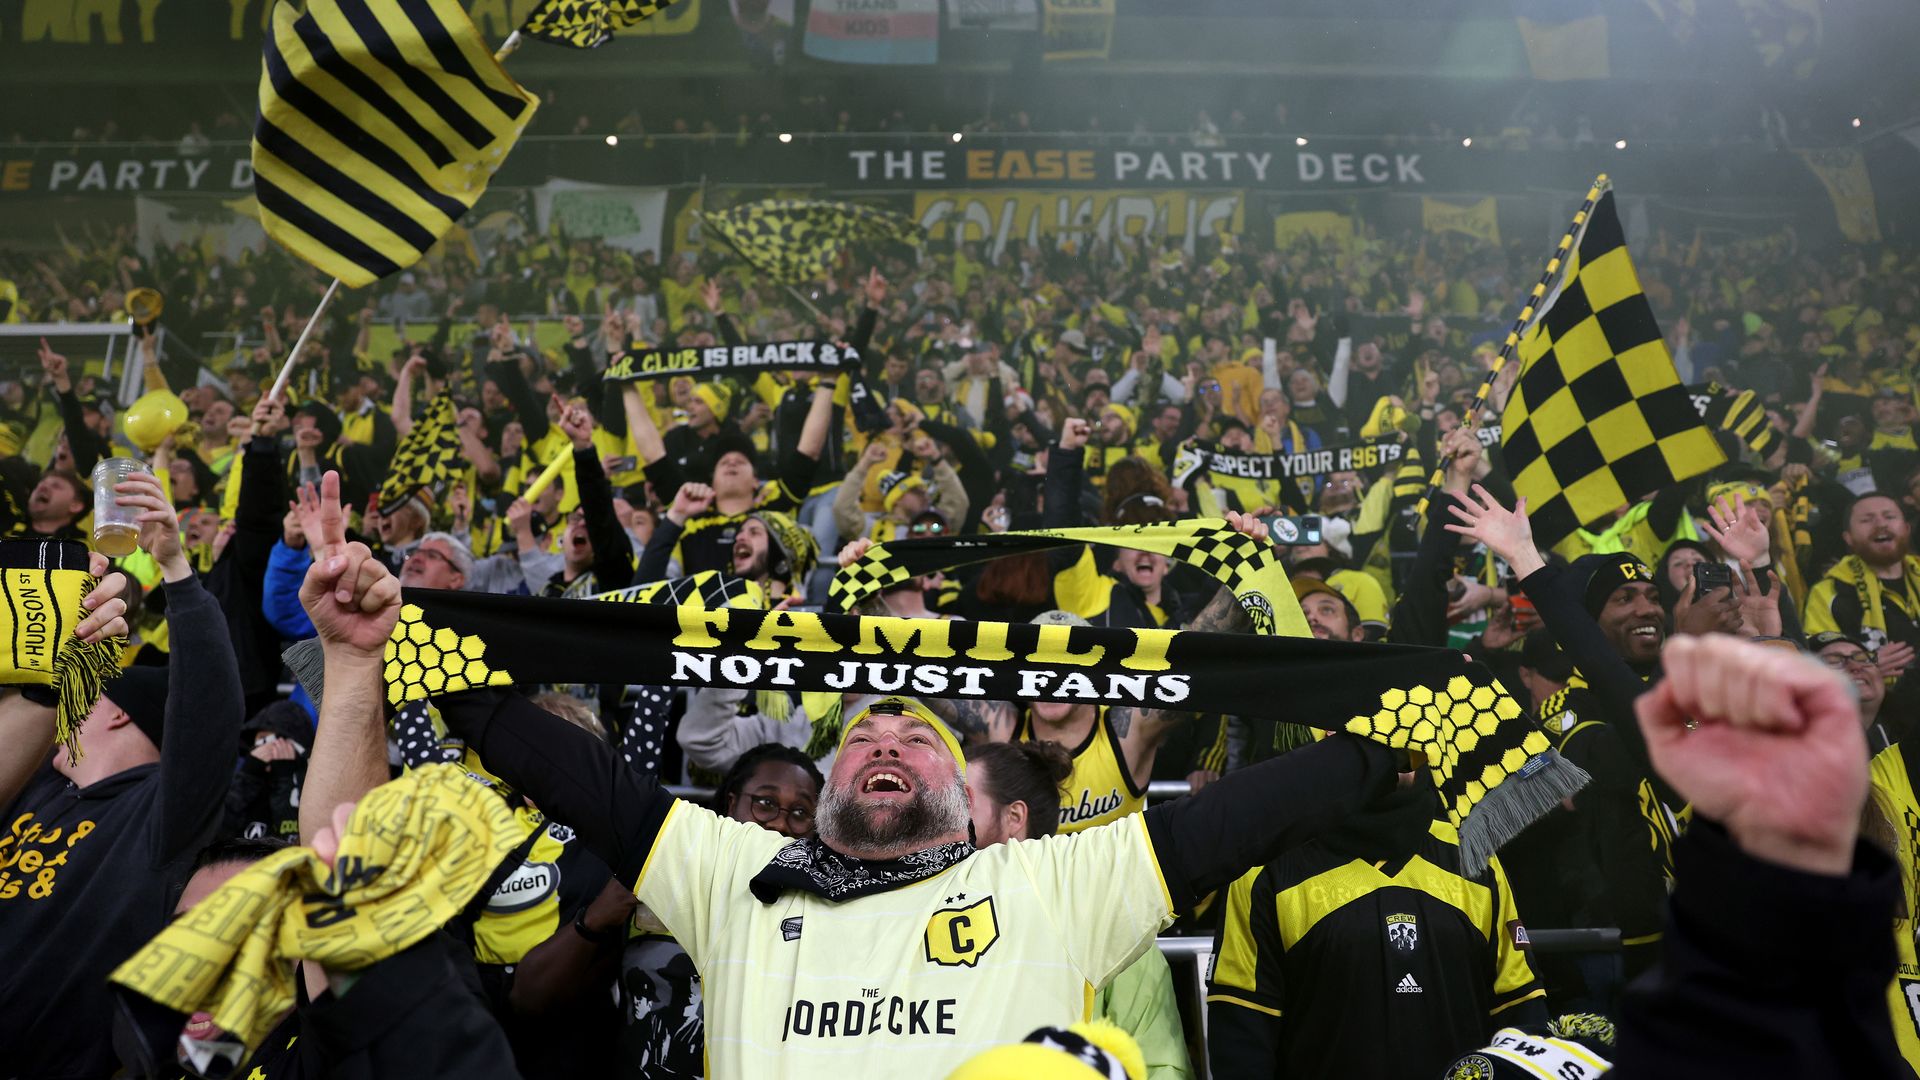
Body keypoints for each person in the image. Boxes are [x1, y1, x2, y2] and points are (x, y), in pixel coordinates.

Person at [0, 474, 237, 1079]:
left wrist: (177, 568)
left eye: (91, 695)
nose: (65, 713)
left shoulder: (158, 819)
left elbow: (207, 712)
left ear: (122, 712)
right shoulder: (36, 786)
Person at [965, 740, 1193, 1080]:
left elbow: (1162, 1069)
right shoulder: (931, 919)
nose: (944, 816)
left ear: (1014, 817)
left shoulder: (1115, 924)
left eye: (962, 801)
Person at [620, 744, 825, 1078]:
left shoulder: (821, 912)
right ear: (732, 802)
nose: (780, 824)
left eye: (801, 813)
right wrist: (599, 918)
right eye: (765, 804)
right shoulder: (660, 876)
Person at [1805, 493, 1920, 681]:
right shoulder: (1828, 592)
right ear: (1848, 538)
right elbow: (1819, 668)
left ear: (1907, 528)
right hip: (1879, 708)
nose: (1881, 524)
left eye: (1889, 517)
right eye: (1867, 520)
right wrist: (1866, 666)